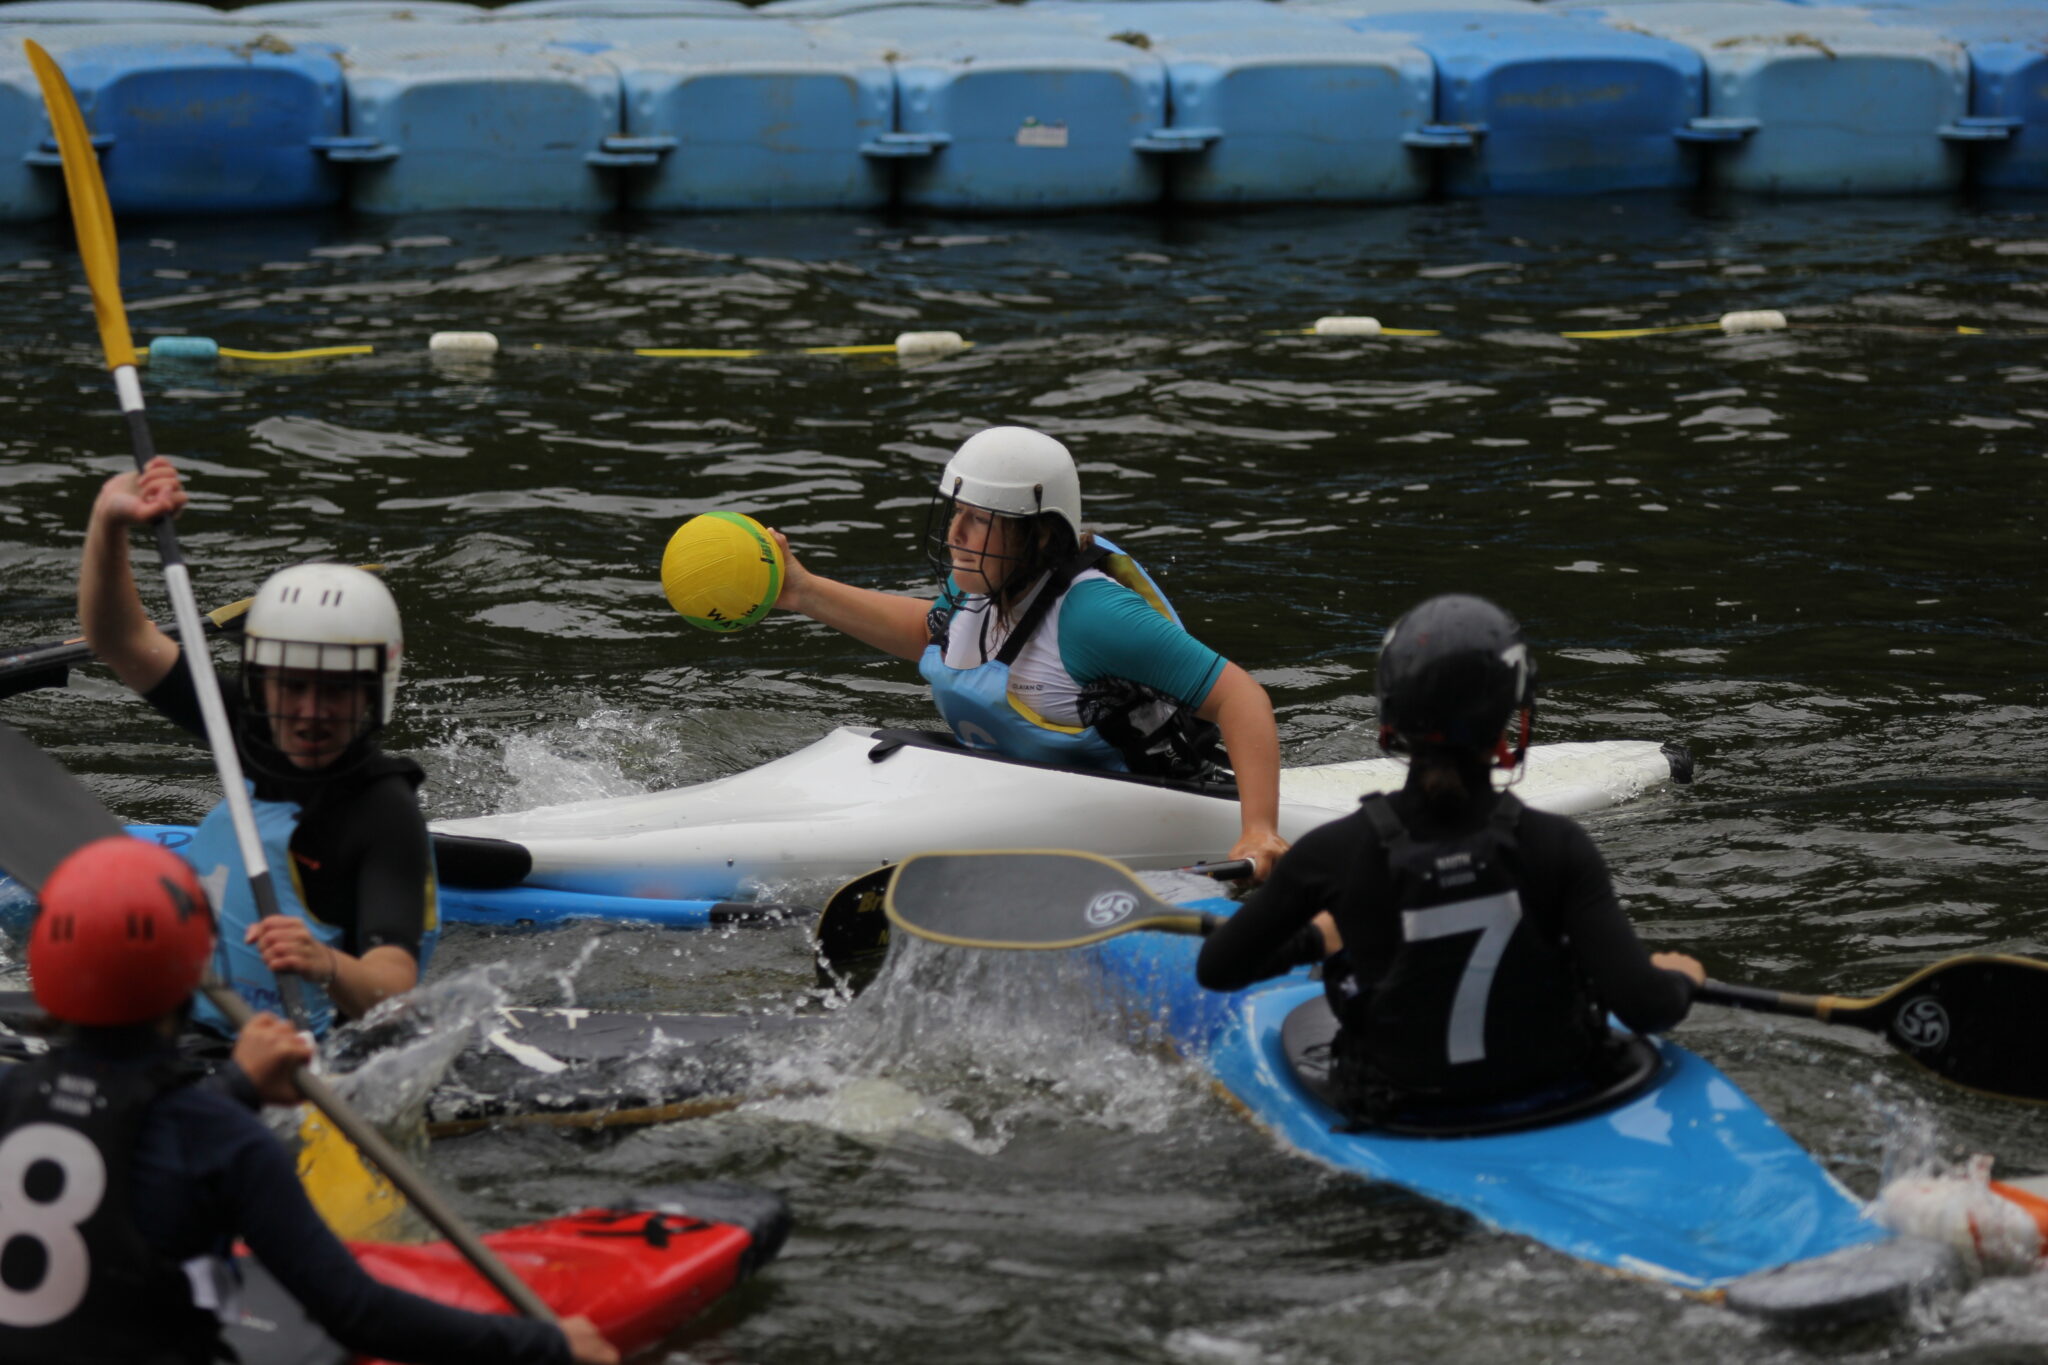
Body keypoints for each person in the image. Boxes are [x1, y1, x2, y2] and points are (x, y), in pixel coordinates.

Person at [0, 834, 617, 1365]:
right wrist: (547, 1347)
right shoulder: (219, 1137)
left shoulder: (12, 1092)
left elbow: (123, 1140)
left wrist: (238, 1087)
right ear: (193, 968)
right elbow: (355, 1311)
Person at [1195, 594, 1704, 1119]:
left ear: (1390, 717)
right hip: (1554, 1087)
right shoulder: (1559, 846)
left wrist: (1316, 938)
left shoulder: (1334, 851)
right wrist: (1678, 978)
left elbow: (1220, 968)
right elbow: (1645, 1007)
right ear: (1511, 720)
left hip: (1398, 1103)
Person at [771, 425, 1290, 878]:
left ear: (1038, 536)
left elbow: (1240, 697)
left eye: (978, 519)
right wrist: (804, 591)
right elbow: (928, 634)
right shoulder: (979, 585)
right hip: (1021, 804)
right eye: (956, 512)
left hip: (1148, 813)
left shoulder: (1093, 615)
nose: (955, 533)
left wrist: (1260, 830)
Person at [79, 456, 436, 1039]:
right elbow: (118, 639)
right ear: (262, 682)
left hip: (311, 1058)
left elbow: (394, 985)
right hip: (197, 1026)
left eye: (336, 691)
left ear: (375, 691)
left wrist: (325, 963)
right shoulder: (246, 732)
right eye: (292, 686)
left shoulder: (383, 811)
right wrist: (109, 521)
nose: (310, 712)